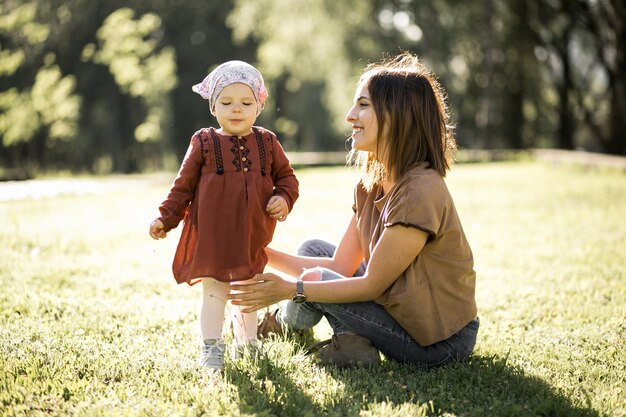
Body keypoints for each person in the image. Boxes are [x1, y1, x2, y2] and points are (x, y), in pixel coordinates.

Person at [229, 52, 478, 368]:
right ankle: (350, 342)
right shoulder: (370, 184)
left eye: (363, 105)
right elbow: (342, 264)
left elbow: (371, 284)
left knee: (314, 278)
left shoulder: (419, 189)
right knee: (314, 250)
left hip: (437, 342)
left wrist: (288, 290)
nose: (350, 116)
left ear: (398, 115)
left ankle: (280, 324)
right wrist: (262, 252)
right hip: (400, 305)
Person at [149, 60, 299, 372]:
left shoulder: (267, 142)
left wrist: (282, 198)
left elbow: (287, 179)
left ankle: (247, 343)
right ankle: (212, 348)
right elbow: (183, 187)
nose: (236, 109)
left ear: (258, 105)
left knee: (247, 292)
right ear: (213, 106)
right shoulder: (204, 142)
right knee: (215, 292)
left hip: (250, 235)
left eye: (246, 102)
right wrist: (165, 217)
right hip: (213, 237)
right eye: (226, 102)